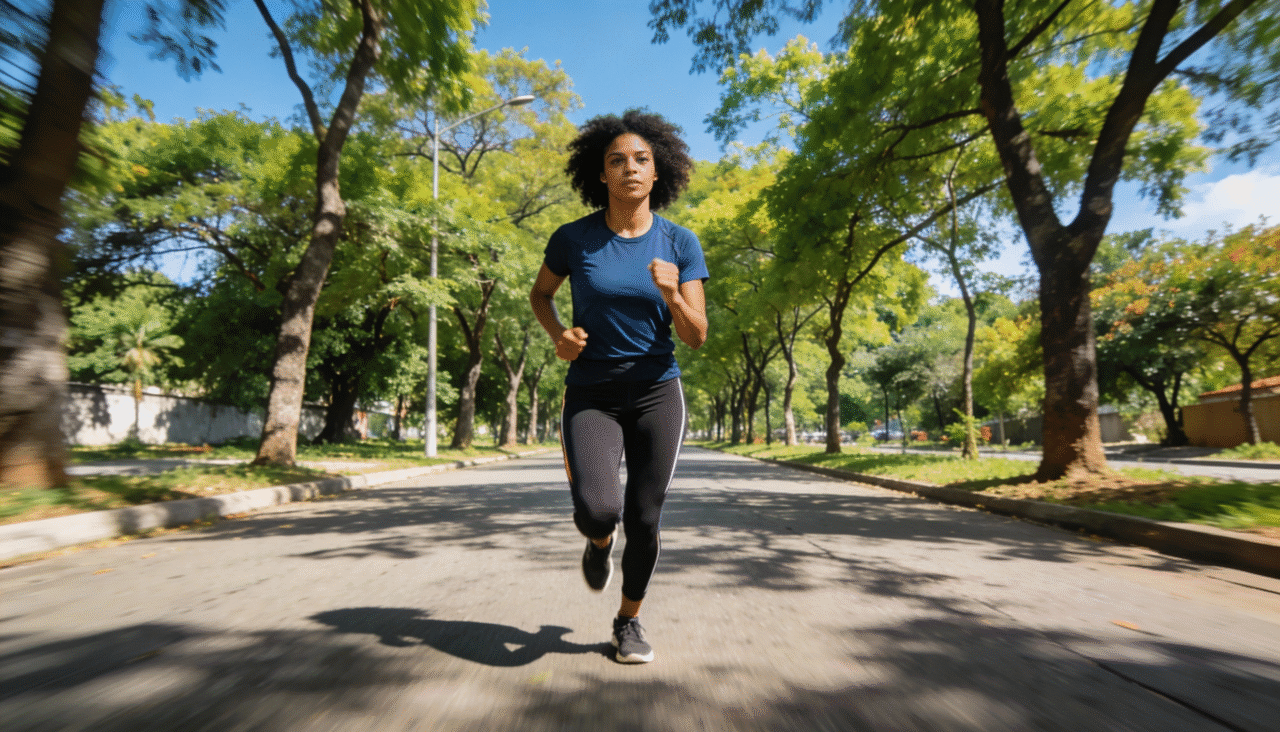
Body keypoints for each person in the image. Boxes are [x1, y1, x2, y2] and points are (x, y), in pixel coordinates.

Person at [529, 109, 708, 664]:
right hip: (592, 393)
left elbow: (697, 335)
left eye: (641, 160)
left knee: (645, 517)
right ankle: (597, 541)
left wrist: (673, 294)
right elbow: (541, 295)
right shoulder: (574, 239)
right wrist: (560, 335)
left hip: (657, 391)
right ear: (601, 175)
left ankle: (627, 621)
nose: (629, 168)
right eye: (617, 161)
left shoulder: (680, 243)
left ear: (658, 174)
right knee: (598, 510)